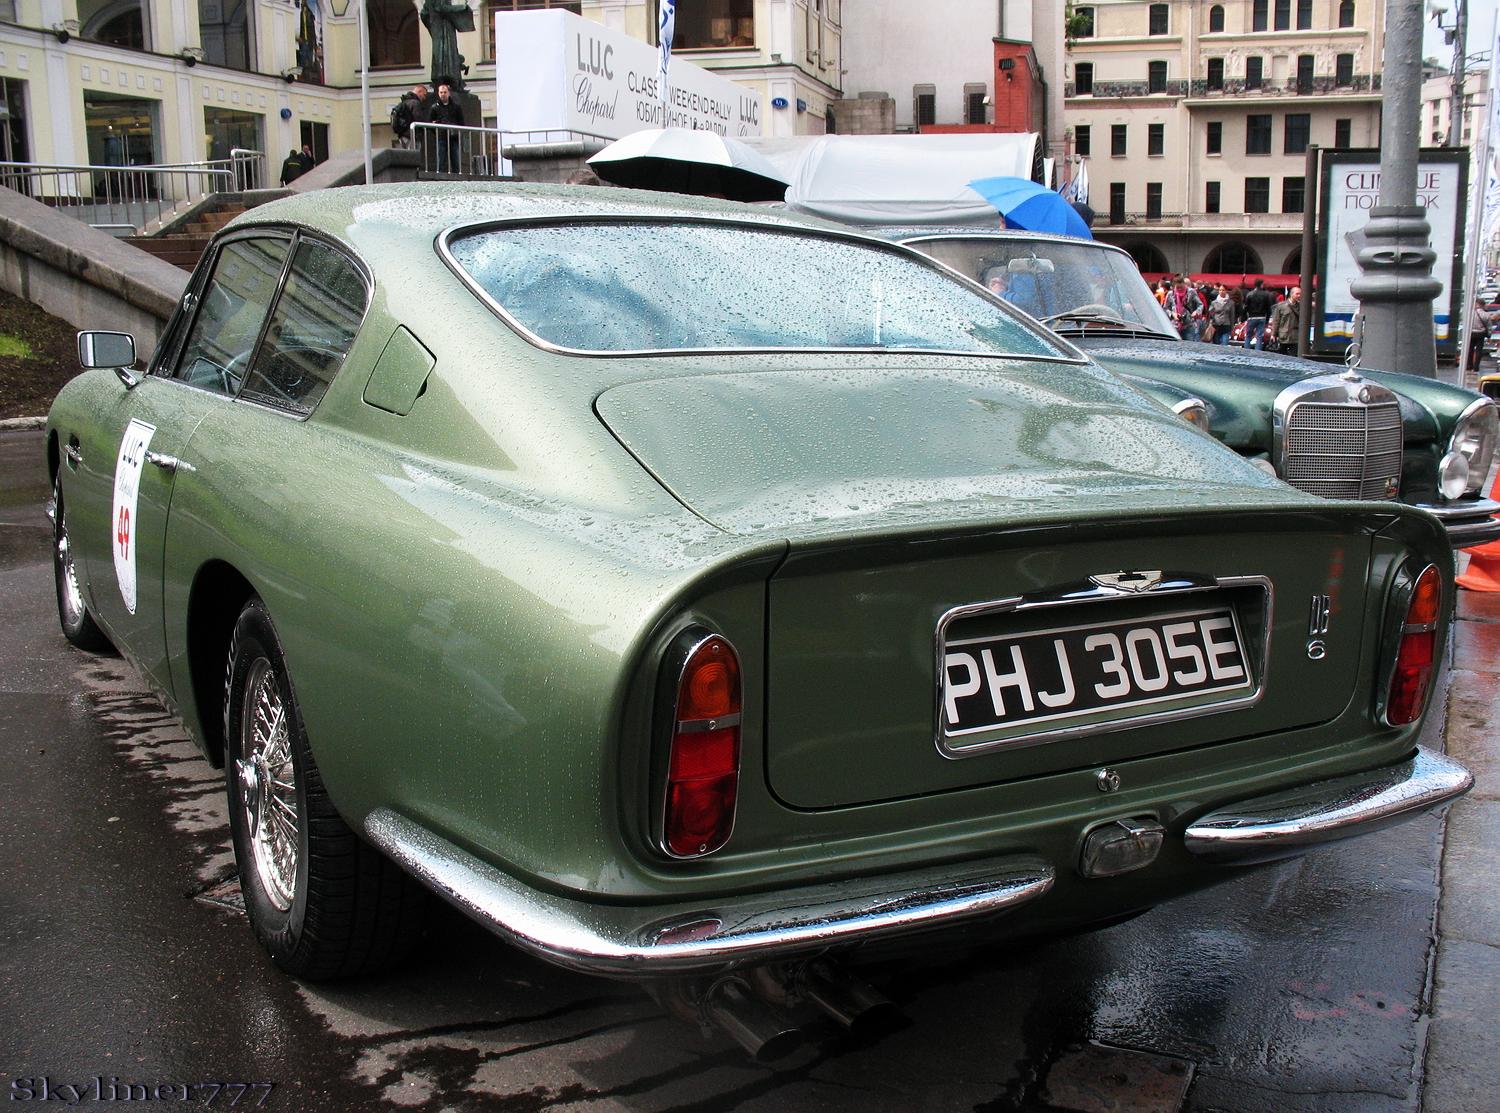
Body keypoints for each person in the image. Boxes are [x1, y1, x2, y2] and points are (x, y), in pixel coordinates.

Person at [427, 80, 464, 172]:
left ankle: (457, 176)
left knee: (455, 159)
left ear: (449, 93)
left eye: (445, 92)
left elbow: (462, 123)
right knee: (441, 159)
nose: (443, 94)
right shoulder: (434, 107)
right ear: (438, 94)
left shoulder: (456, 107)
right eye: (441, 92)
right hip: (441, 137)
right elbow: (429, 123)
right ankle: (440, 177)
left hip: (453, 137)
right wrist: (437, 130)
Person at [390, 83, 428, 148]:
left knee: (406, 156)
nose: (425, 98)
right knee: (413, 156)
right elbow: (419, 120)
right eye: (424, 95)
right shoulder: (415, 103)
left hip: (402, 135)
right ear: (419, 91)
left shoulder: (404, 102)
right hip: (412, 136)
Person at [1243, 278, 1275, 351]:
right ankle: (1258, 352)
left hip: (1251, 317)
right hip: (1262, 317)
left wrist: (1244, 317)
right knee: (1259, 336)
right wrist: (1267, 320)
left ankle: (1246, 350)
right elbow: (1268, 308)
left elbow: (1246, 307)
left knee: (1248, 335)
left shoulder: (1250, 294)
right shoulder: (1266, 295)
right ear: (1261, 284)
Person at [1169, 276, 1204, 342]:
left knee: (1189, 345)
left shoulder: (1191, 292)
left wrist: (1196, 312)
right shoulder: (1170, 294)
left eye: (1181, 287)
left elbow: (1200, 305)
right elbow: (1165, 308)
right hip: (1174, 325)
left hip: (1189, 324)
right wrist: (1172, 314)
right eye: (1177, 288)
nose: (1179, 289)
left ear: (1184, 284)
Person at [1269, 286, 1301, 353]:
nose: (1299, 296)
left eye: (1300, 294)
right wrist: (1273, 334)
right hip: (1283, 335)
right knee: (1282, 355)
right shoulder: (1281, 306)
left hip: (1295, 336)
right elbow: (1276, 321)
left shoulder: (1301, 306)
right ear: (1291, 294)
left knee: (1294, 356)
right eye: (1297, 294)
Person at [1469, 296, 1495, 374]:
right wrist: (1489, 335)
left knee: (1470, 349)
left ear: (1477, 304)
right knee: (1479, 350)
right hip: (1481, 334)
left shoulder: (1470, 314)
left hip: (1471, 333)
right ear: (1482, 305)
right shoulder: (1486, 315)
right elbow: (1489, 327)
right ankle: (1476, 367)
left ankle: (1469, 365)